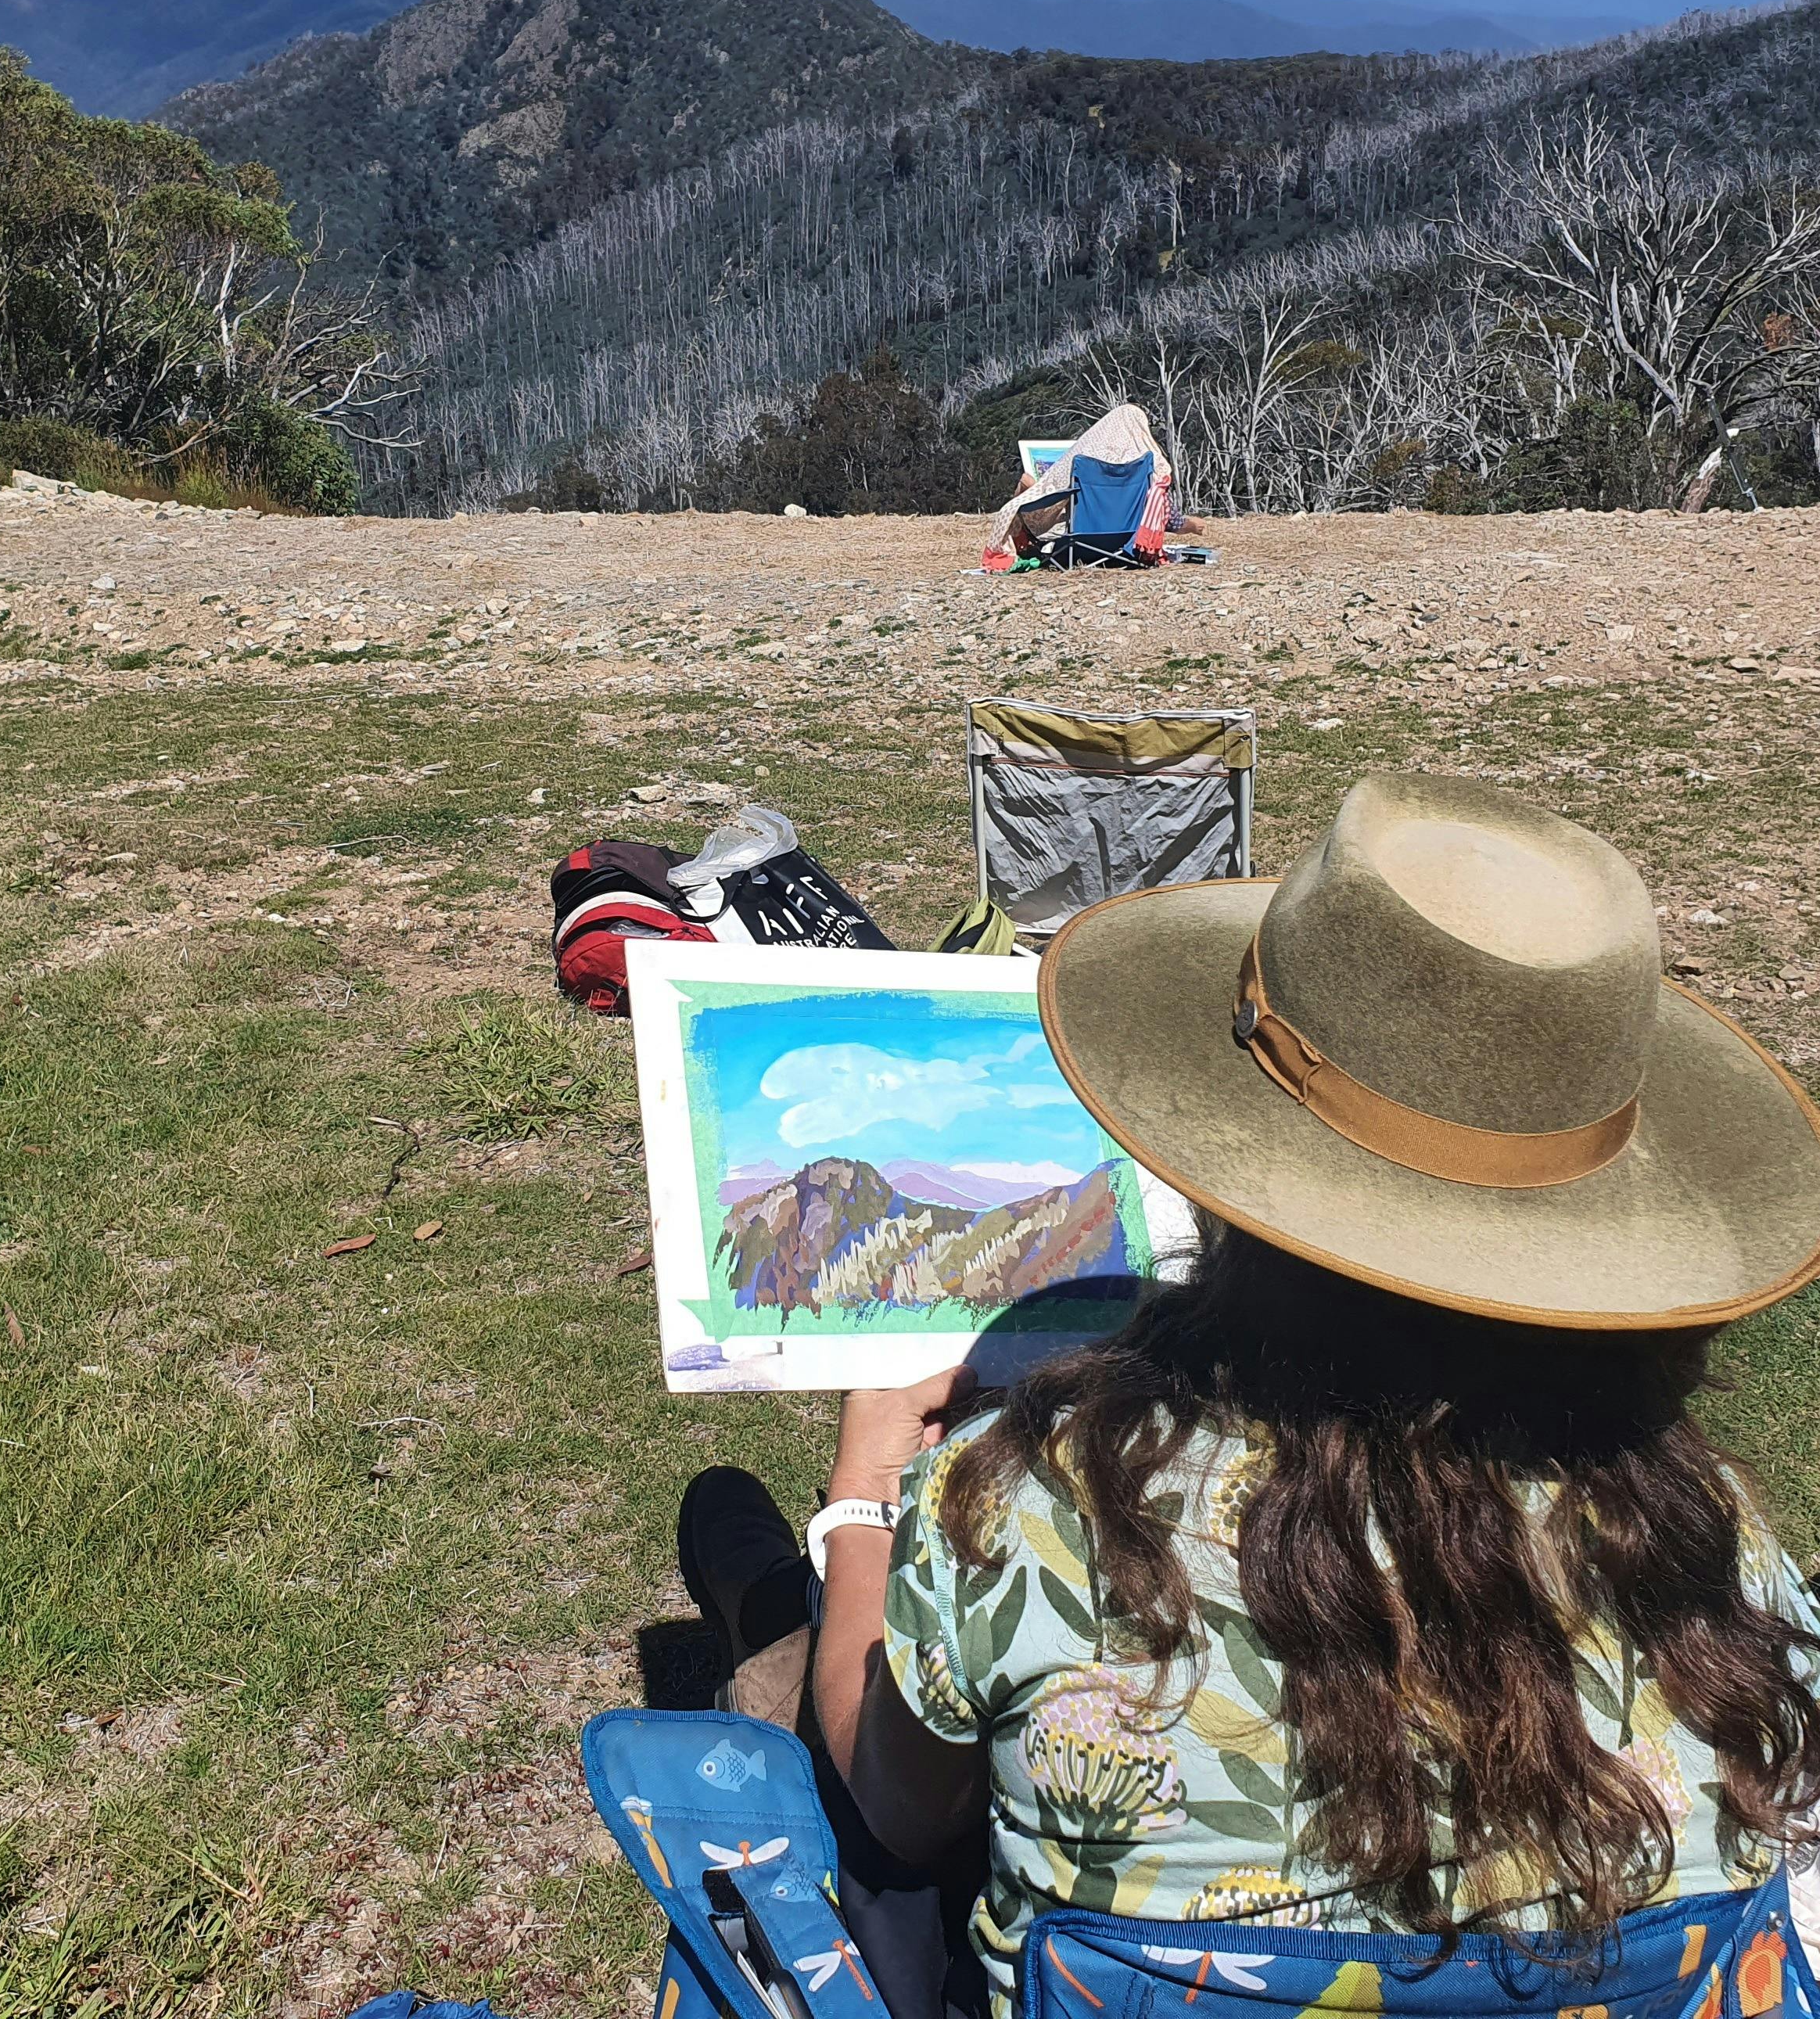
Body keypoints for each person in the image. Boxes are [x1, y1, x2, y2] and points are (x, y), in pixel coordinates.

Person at [677, 771, 1820, 2019]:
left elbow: (895, 1808)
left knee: (793, 1639)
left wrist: (867, 1484)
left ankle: (758, 1589)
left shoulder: (1038, 1508)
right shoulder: (1716, 1552)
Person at [978, 403, 1203, 571]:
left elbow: (1052, 494)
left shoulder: (1086, 460)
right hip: (1126, 547)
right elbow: (1168, 517)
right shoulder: (1146, 470)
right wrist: (1190, 525)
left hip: (1080, 545)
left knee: (1027, 485)